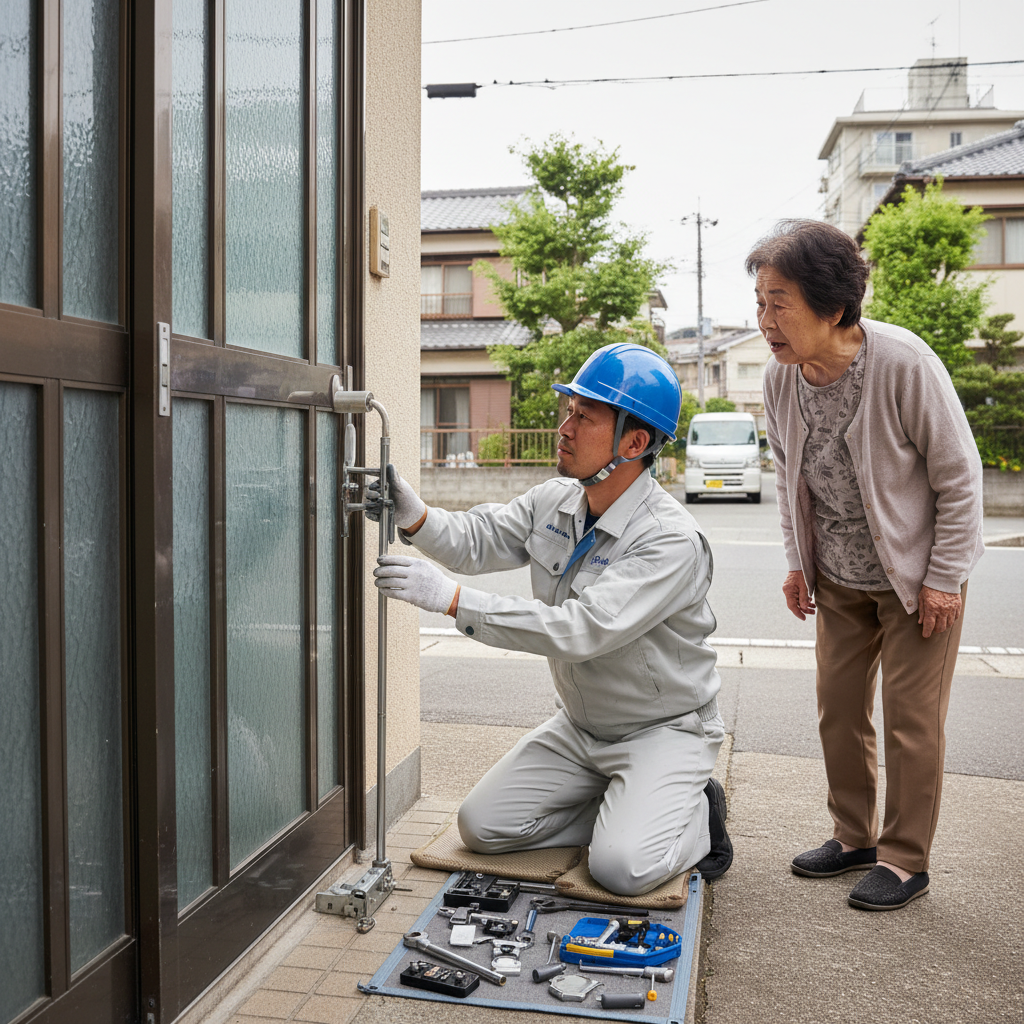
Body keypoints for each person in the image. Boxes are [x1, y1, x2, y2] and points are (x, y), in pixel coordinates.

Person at [368, 343, 732, 896]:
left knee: (622, 870)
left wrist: (452, 601)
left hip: (664, 730)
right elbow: (477, 540)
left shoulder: (669, 541)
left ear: (633, 443)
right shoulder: (556, 500)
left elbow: (580, 630)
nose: (565, 426)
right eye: (569, 410)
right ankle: (626, 811)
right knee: (482, 827)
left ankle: (697, 815)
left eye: (585, 417)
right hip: (582, 727)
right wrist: (414, 515)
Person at [747, 220, 984, 911]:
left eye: (779, 302)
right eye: (760, 302)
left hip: (917, 576)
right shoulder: (781, 378)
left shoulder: (903, 363)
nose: (765, 320)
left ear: (831, 304)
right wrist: (798, 563)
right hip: (842, 576)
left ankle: (906, 858)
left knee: (911, 718)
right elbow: (791, 476)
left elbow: (960, 479)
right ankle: (855, 836)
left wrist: (943, 578)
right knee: (839, 710)